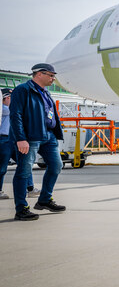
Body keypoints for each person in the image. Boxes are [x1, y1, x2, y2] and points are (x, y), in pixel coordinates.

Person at [8, 64, 66, 221]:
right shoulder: (23, 90)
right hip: (31, 137)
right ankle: (21, 209)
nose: (53, 78)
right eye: (51, 75)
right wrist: (21, 138)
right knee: (24, 171)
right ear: (39, 74)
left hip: (49, 136)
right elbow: (16, 115)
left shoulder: (45, 92)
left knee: (56, 166)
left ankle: (44, 200)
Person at [0, 89, 12, 199]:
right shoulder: (4, 109)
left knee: (24, 164)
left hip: (10, 139)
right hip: (4, 139)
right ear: (7, 98)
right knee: (2, 167)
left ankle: (30, 187)